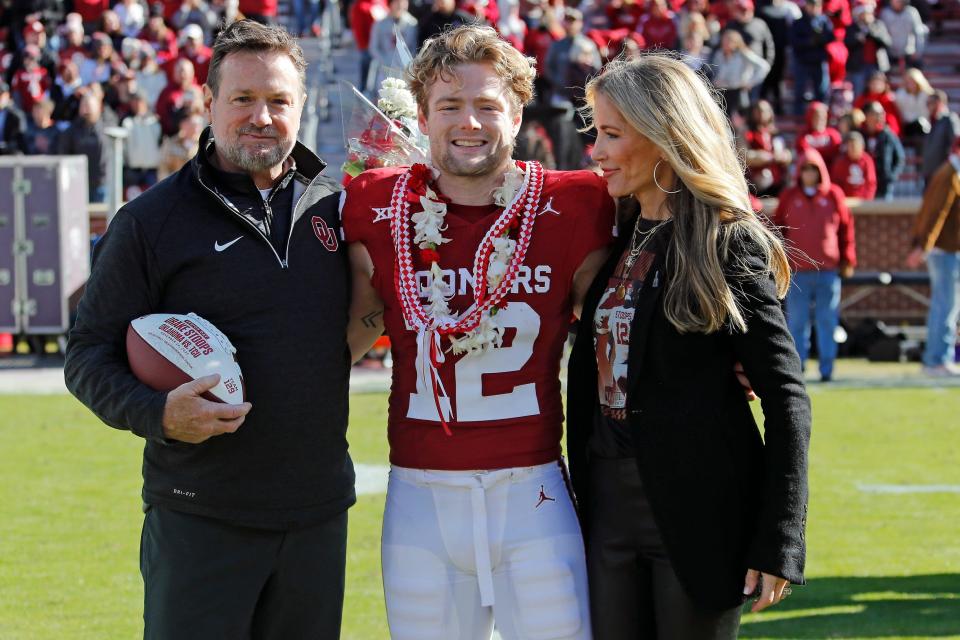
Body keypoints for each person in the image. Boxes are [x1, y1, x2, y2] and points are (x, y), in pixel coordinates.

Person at [63, 20, 353, 638]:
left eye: (279, 100)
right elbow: (86, 354)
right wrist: (157, 413)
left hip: (317, 515)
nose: (262, 117)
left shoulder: (337, 203)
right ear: (209, 103)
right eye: (243, 99)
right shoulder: (151, 221)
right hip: (201, 517)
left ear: (305, 105)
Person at [339, 24, 615, 640]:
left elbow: (630, 305)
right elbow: (343, 336)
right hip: (420, 496)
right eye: (450, 106)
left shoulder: (574, 204)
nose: (470, 122)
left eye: (488, 105)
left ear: (517, 113)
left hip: (534, 494)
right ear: (422, 115)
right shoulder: (375, 205)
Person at [567, 53, 810, 638]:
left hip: (699, 513)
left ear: (662, 135)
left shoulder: (726, 242)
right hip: (604, 506)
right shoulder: (618, 236)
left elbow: (786, 399)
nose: (595, 151)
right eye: (595, 133)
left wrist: (781, 538)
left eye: (611, 134)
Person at [775, 147, 856, 381]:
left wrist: (848, 258)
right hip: (798, 271)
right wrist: (781, 262)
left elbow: (846, 230)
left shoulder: (834, 196)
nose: (809, 174)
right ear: (799, 171)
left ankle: (827, 370)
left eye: (813, 169)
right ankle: (797, 369)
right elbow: (779, 231)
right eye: (805, 169)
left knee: (827, 321)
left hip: (827, 270)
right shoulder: (789, 197)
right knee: (797, 323)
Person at [905, 144, 960, 376]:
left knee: (944, 305)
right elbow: (936, 212)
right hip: (944, 251)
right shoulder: (950, 175)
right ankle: (937, 359)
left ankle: (935, 358)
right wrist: (923, 246)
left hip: (944, 250)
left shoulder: (948, 172)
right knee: (946, 306)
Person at [790, 0, 835, 115]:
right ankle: (798, 116)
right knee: (800, 91)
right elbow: (793, 41)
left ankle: (822, 115)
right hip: (803, 60)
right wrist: (809, 41)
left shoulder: (824, 21)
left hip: (819, 60)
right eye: (812, 5)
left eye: (817, 5)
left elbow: (831, 37)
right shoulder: (799, 22)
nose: (814, 8)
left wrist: (821, 38)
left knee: (821, 92)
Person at [860, 100, 905, 199]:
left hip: (883, 184)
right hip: (862, 184)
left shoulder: (888, 135)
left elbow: (900, 157)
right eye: (876, 114)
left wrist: (891, 176)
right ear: (867, 115)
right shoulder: (859, 134)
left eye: (882, 113)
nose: (880, 117)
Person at [921, 89, 960, 185]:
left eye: (930, 103)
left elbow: (956, 143)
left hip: (943, 171)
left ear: (939, 103)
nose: (928, 106)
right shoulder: (931, 120)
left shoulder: (949, 119)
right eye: (927, 103)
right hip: (930, 172)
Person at [831, 130, 878, 198]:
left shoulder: (867, 161)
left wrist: (867, 199)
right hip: (846, 200)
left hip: (863, 202)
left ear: (862, 147)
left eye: (855, 145)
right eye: (850, 145)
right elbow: (836, 182)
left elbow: (871, 183)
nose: (852, 148)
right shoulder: (840, 162)